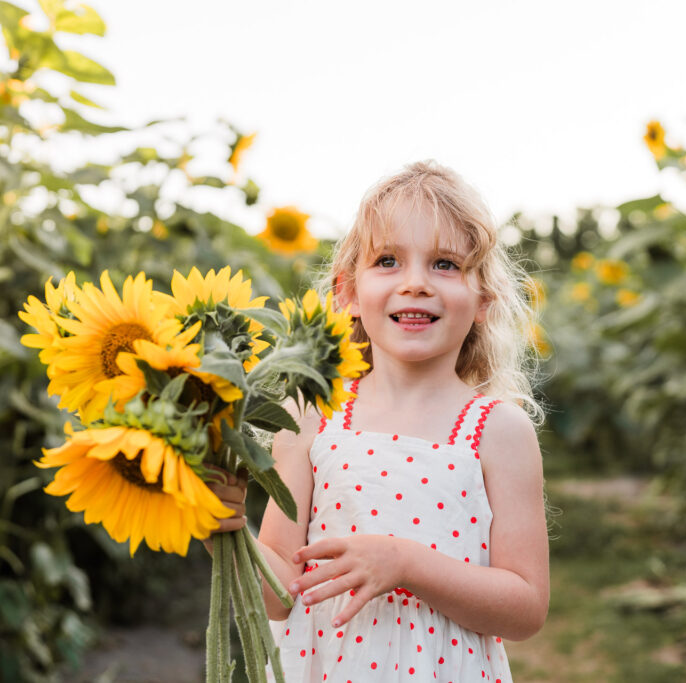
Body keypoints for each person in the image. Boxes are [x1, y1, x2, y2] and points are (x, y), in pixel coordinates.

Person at [213, 160, 550, 682]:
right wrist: (230, 531)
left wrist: (406, 563)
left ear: (483, 300)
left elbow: (526, 608)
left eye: (445, 264)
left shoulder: (497, 430)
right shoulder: (311, 416)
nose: (415, 283)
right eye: (388, 260)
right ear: (347, 292)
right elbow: (279, 594)